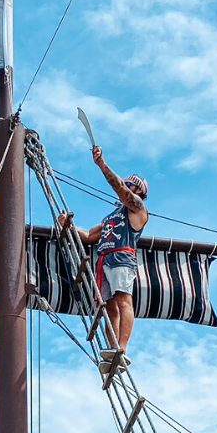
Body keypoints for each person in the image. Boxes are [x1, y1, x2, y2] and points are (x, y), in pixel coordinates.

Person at [55, 145, 148, 374]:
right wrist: (67, 224)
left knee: (123, 299)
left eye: (129, 184)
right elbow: (88, 236)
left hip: (122, 257)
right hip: (105, 261)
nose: (124, 185)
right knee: (109, 306)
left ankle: (122, 348)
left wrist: (101, 165)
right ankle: (112, 347)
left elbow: (117, 187)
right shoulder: (111, 217)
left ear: (137, 190)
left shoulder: (137, 210)